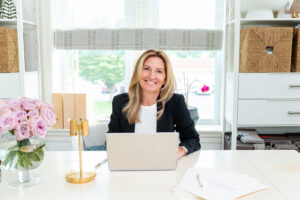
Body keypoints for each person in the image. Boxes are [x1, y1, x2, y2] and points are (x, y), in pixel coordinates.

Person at [108, 50, 200, 159]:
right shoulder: (120, 102)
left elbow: (193, 139)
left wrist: (180, 150)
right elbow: (111, 142)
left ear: (165, 79)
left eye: (159, 71)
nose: (152, 76)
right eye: (146, 69)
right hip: (129, 166)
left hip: (162, 166)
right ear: (138, 73)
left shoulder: (175, 102)